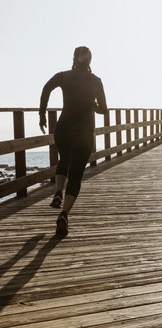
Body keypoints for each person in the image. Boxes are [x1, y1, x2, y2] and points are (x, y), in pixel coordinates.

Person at [39, 46, 108, 236]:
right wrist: (92, 105)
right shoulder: (95, 81)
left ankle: (58, 192)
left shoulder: (64, 76)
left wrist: (42, 115)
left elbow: (46, 88)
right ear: (90, 61)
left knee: (63, 159)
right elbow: (104, 109)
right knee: (76, 174)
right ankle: (63, 214)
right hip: (84, 132)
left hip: (63, 129)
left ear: (74, 59)